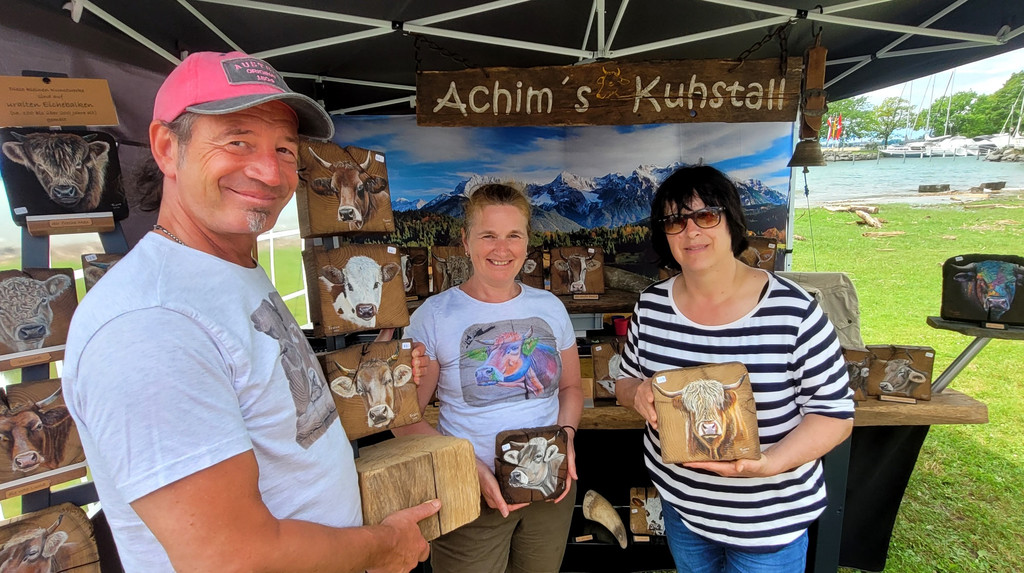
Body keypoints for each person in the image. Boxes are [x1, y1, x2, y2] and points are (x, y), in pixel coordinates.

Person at [62, 51, 438, 573]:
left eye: (284, 149)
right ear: (167, 148)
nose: (267, 171)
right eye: (237, 141)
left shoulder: (226, 271)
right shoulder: (149, 325)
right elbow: (232, 558)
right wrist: (384, 546)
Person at [615, 165, 854, 573]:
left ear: (732, 221)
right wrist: (635, 392)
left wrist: (770, 463)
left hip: (767, 519)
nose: (691, 231)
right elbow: (624, 380)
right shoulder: (651, 306)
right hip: (683, 508)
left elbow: (834, 415)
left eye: (706, 215)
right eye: (674, 221)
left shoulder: (793, 311)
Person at [393, 183, 583, 573]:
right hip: (470, 494)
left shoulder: (549, 307)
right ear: (465, 242)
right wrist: (468, 466)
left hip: (550, 485)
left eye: (514, 235)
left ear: (527, 243)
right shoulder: (435, 316)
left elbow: (571, 388)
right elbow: (405, 420)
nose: (502, 248)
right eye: (488, 236)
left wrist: (566, 438)